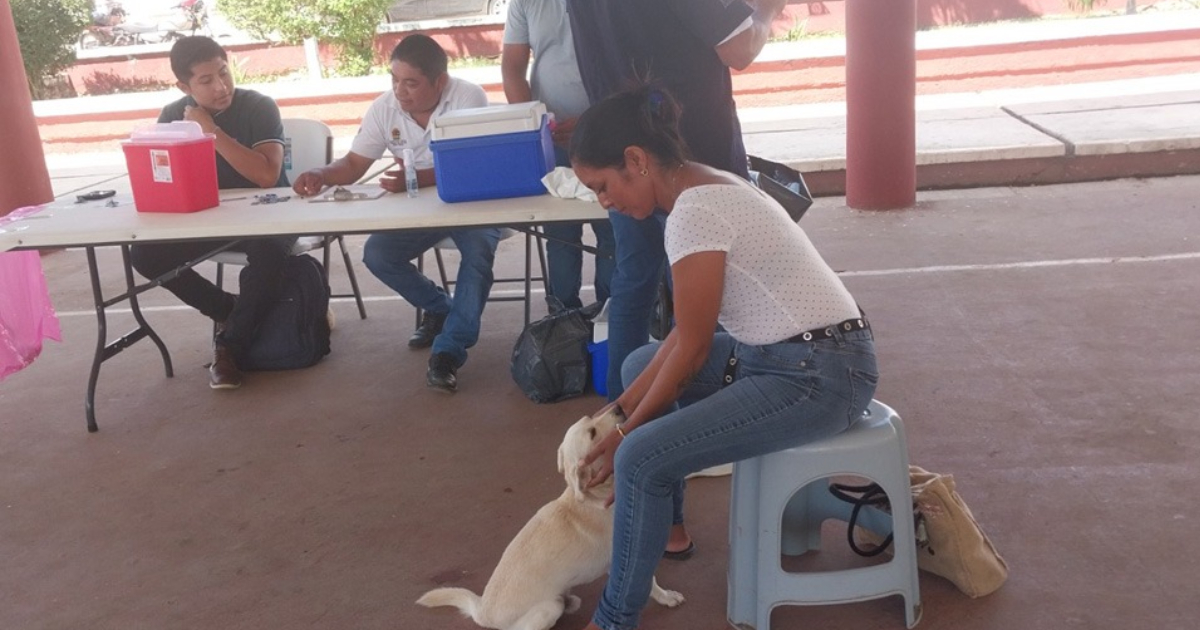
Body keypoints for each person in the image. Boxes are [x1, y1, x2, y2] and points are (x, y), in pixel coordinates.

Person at [568, 86, 878, 630]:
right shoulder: (707, 182)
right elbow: (681, 338)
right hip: (787, 354)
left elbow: (689, 349)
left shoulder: (695, 211)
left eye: (602, 186)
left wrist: (625, 437)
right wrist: (617, 411)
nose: (605, 202)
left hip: (820, 374)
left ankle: (613, 621)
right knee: (639, 366)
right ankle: (666, 521)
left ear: (635, 161)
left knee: (638, 457)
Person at [565, 0, 787, 398]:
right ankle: (707, 414)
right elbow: (740, 48)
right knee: (710, 307)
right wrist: (768, 10)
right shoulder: (696, 195)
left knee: (636, 283)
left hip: (626, 157)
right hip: (686, 159)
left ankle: (630, 408)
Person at [291, 34, 492, 393]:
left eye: (411, 82)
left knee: (477, 254)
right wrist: (321, 175)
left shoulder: (467, 97)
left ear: (440, 82)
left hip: (472, 202)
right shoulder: (385, 107)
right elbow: (354, 163)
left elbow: (476, 165)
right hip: (418, 209)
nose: (400, 91)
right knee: (378, 254)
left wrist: (417, 177)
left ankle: (449, 351)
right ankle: (440, 307)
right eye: (395, 80)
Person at [130, 35, 290, 391]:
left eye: (224, 73)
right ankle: (229, 311)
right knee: (144, 253)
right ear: (184, 86)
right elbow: (165, 179)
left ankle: (229, 345)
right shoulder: (173, 116)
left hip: (271, 215)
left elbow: (266, 176)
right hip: (210, 219)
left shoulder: (258, 106)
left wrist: (211, 132)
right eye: (206, 80)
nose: (221, 87)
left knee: (269, 252)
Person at [501, 0, 615, 311]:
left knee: (612, 226)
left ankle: (610, 312)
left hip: (610, 133)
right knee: (561, 233)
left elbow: (629, 64)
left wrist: (595, 122)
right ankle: (563, 317)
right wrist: (535, 123)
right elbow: (512, 67)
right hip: (553, 138)